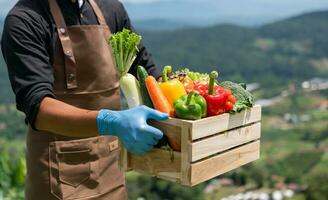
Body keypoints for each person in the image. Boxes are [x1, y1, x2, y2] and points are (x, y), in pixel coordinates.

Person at [1, 0, 168, 199]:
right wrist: (111, 122)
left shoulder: (111, 8)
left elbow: (144, 68)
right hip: (57, 174)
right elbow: (39, 107)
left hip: (112, 166)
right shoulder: (24, 20)